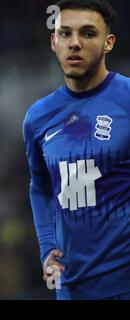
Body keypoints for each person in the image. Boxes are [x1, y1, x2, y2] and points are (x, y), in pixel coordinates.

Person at [23, 0, 130, 300]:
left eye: (87, 34)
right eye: (65, 34)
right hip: (71, 288)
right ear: (53, 41)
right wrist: (46, 249)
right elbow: (40, 187)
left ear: (108, 43)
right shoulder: (37, 117)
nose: (75, 44)